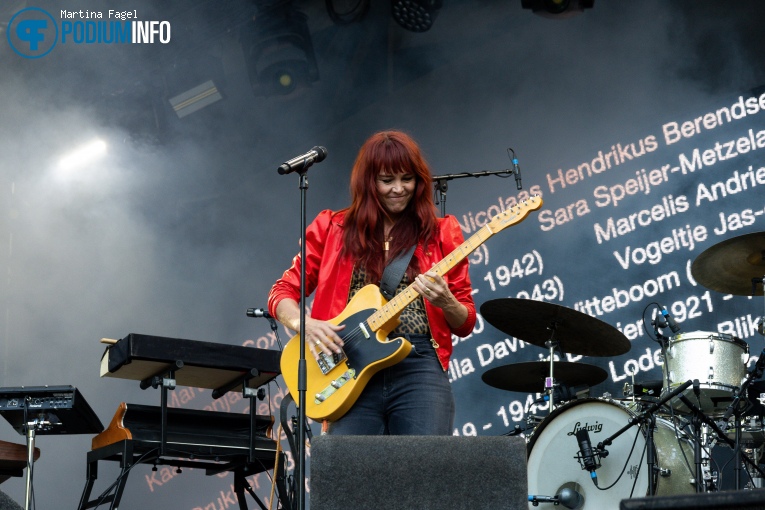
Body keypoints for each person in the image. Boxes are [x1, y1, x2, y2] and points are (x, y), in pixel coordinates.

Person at [267, 130, 476, 435]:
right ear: (369, 182)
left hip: (417, 363)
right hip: (349, 359)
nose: (398, 189)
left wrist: (447, 301)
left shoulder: (442, 232)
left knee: (426, 471)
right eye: (387, 180)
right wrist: (305, 324)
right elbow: (282, 291)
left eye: (407, 179)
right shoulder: (332, 227)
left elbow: (465, 322)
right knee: (350, 475)